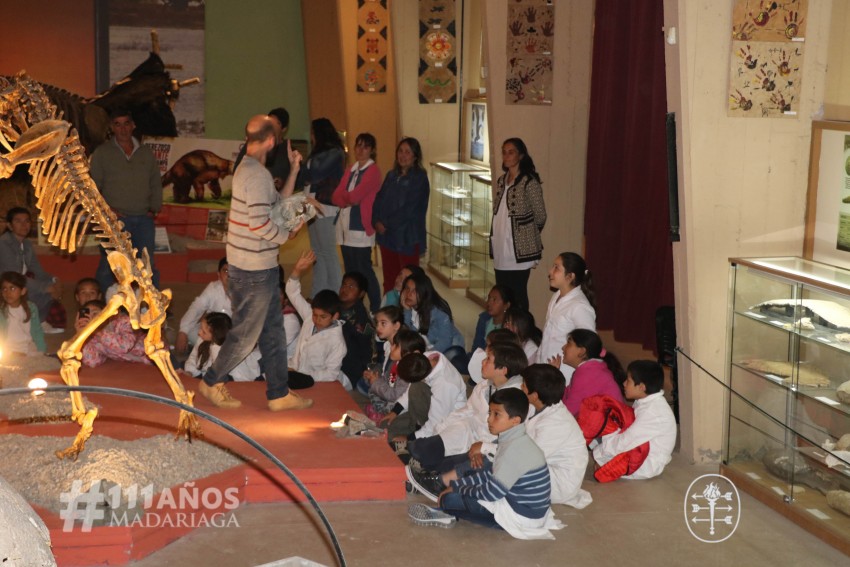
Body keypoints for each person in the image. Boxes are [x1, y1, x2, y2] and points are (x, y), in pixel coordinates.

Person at [199, 114, 311, 411]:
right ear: (272, 140)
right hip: (253, 269)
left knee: (273, 330)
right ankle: (211, 381)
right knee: (246, 335)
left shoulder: (249, 168)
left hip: (255, 265)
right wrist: (288, 233)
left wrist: (294, 170)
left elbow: (275, 204)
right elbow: (261, 225)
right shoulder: (256, 174)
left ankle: (278, 393)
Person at [408, 388, 564, 540]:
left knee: (449, 499)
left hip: (522, 517)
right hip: (527, 508)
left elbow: (491, 493)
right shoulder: (515, 440)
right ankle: (450, 506)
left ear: (515, 420)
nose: (489, 419)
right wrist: (457, 485)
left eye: (497, 415)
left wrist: (457, 488)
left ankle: (449, 511)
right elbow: (490, 473)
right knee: (476, 472)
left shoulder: (514, 449)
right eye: (490, 413)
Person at [406, 341, 527, 483]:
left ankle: (429, 477)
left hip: (486, 446)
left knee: (451, 465)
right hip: (466, 431)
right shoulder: (483, 385)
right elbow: (465, 412)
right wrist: (441, 430)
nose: (482, 362)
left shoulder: (518, 397)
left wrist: (483, 448)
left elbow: (511, 440)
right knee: (426, 446)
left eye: (488, 359)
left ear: (503, 369)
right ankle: (419, 465)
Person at [90, 108, 163, 291]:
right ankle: (102, 308)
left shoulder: (146, 152)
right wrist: (108, 212)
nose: (122, 129)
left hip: (144, 220)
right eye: (117, 124)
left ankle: (151, 308)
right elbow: (93, 188)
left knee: (147, 266)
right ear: (111, 128)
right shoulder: (102, 153)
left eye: (126, 123)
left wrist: (153, 208)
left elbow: (155, 181)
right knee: (109, 266)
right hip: (114, 221)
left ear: (133, 126)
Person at [519, 364, 591, 508]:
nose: (521, 387)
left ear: (534, 396)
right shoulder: (539, 407)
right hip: (543, 467)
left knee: (496, 472)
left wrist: (487, 448)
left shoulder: (556, 423)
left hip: (558, 484)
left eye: (524, 385)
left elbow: (527, 459)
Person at [382, 329, 467, 452]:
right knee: (386, 428)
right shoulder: (423, 360)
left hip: (443, 425)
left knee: (400, 446)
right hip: (421, 416)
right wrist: (395, 412)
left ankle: (414, 440)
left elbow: (436, 424)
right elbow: (409, 393)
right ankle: (413, 431)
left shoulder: (445, 383)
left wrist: (409, 438)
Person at [591, 360, 677, 480]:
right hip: (637, 445)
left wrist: (600, 453)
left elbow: (627, 440)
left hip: (645, 463)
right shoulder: (644, 400)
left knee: (599, 458)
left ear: (642, 387)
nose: (624, 384)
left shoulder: (653, 412)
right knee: (599, 421)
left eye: (629, 381)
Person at [490, 138, 546, 312]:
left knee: (518, 295)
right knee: (503, 294)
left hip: (519, 251)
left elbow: (541, 215)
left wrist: (526, 235)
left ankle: (521, 332)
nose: (506, 156)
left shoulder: (529, 182)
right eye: (504, 152)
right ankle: (506, 331)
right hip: (500, 248)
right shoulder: (501, 181)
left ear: (520, 155)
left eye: (511, 152)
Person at [332, 132, 382, 312]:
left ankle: (376, 307)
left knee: (364, 271)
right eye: (358, 146)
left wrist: (346, 198)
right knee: (351, 272)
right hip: (345, 228)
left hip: (360, 228)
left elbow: (354, 197)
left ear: (372, 150)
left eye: (365, 147)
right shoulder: (351, 169)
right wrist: (346, 199)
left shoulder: (373, 171)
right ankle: (354, 308)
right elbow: (335, 196)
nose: (360, 150)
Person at [372, 137, 430, 293]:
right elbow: (379, 198)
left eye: (408, 152)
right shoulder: (391, 175)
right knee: (390, 279)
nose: (403, 155)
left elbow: (410, 209)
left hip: (407, 237)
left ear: (415, 156)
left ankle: (406, 315)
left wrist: (386, 223)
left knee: (407, 281)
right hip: (387, 236)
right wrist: (376, 220)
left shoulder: (419, 178)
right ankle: (388, 314)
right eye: (400, 151)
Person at [286, 250, 348, 390]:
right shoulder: (310, 316)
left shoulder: (337, 342)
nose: (317, 320)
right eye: (315, 315)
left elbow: (331, 374)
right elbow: (292, 293)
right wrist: (297, 270)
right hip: (293, 369)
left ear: (335, 316)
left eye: (323, 317)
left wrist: (300, 373)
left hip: (316, 381)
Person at [0, 207, 65, 332]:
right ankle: (34, 323)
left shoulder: (27, 244)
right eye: (18, 221)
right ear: (9, 225)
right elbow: (13, 276)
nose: (24, 225)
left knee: (51, 288)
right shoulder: (4, 243)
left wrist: (55, 280)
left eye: (27, 221)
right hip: (6, 284)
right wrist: (44, 287)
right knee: (43, 291)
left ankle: (36, 322)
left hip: (20, 282)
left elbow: (37, 270)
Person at [538, 252, 597, 383]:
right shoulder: (556, 296)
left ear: (570, 276)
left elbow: (588, 345)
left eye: (556, 268)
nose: (550, 272)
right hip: (547, 367)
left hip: (565, 372)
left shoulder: (580, 307)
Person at [303, 118, 346, 297]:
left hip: (325, 207)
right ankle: (318, 294)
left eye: (313, 132)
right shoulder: (317, 153)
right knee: (317, 253)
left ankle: (335, 294)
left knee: (328, 252)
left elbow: (315, 173)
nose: (311, 136)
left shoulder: (335, 152)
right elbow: (305, 176)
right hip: (311, 205)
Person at [551, 328, 625, 417]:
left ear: (582, 351)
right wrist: (554, 375)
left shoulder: (589, 373)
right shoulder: (590, 370)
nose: (563, 347)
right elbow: (566, 396)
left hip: (607, 428)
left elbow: (568, 412)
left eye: (569, 343)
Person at [401, 271, 465, 371]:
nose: (409, 294)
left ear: (424, 292)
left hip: (447, 349)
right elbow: (409, 338)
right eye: (407, 288)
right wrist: (406, 310)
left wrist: (425, 356)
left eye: (414, 290)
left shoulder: (438, 312)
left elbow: (445, 341)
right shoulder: (408, 310)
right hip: (425, 351)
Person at [175, 257, 231, 358]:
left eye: (233, 271)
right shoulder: (213, 288)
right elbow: (197, 307)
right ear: (219, 275)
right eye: (225, 270)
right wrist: (183, 331)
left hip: (231, 336)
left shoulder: (245, 293)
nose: (229, 275)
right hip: (211, 333)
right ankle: (202, 352)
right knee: (190, 330)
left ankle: (203, 353)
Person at [77, 299, 150, 368]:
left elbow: (125, 346)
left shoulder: (123, 321)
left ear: (106, 314)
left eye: (95, 313)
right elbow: (92, 361)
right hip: (137, 364)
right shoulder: (93, 336)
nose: (91, 318)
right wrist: (81, 336)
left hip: (152, 352)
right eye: (87, 315)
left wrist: (98, 332)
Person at [363, 305, 405, 419]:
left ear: (396, 325)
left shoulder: (403, 348)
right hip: (390, 383)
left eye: (383, 323)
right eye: (377, 323)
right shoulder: (387, 344)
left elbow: (398, 385)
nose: (378, 327)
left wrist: (377, 382)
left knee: (372, 388)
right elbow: (386, 369)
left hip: (399, 394)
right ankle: (379, 408)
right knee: (365, 382)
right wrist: (374, 374)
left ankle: (382, 412)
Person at [338, 270, 376, 391]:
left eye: (351, 286)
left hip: (349, 371)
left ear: (361, 294)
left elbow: (368, 351)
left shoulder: (362, 321)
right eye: (343, 284)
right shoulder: (335, 307)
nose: (345, 289)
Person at [0, 271, 46, 356]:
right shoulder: (2, 310)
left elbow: (37, 330)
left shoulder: (31, 308)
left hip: (27, 345)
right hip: (7, 347)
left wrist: (41, 349)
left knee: (37, 355)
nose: (8, 293)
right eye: (4, 289)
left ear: (23, 291)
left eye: (12, 288)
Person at [470, 285, 514, 352]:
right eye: (489, 298)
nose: (489, 303)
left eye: (494, 300)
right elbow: (476, 347)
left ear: (506, 305)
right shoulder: (484, 319)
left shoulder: (510, 326)